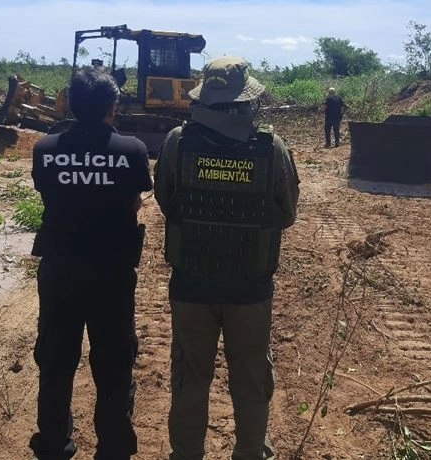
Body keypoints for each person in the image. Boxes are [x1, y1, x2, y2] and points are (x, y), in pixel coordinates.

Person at [153, 56, 301, 460]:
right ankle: (250, 453)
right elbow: (286, 214)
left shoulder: (177, 142)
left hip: (191, 286)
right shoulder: (272, 147)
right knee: (252, 380)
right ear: (247, 100)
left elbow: (168, 202)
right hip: (249, 290)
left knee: (190, 378)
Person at [28, 69, 153, 460]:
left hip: (60, 270)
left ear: (70, 103)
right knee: (114, 363)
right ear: (113, 107)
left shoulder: (45, 149)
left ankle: (53, 445)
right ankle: (114, 449)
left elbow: (50, 195)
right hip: (112, 273)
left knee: (55, 361)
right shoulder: (131, 149)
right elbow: (134, 201)